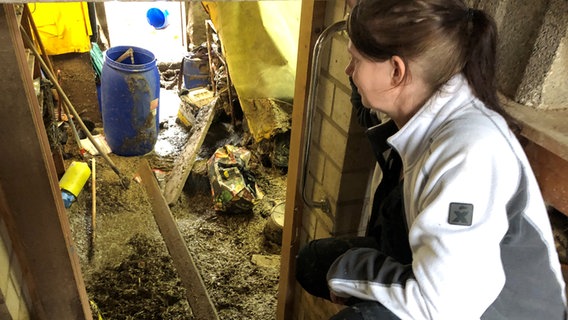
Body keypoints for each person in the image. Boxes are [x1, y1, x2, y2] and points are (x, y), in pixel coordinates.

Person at [295, 0, 568, 319]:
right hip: (451, 282)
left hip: (487, 309)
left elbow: (442, 305)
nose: (348, 70)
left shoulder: (468, 152)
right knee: (312, 262)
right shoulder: (429, 108)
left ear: (396, 72)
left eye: (355, 59)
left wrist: (349, 274)